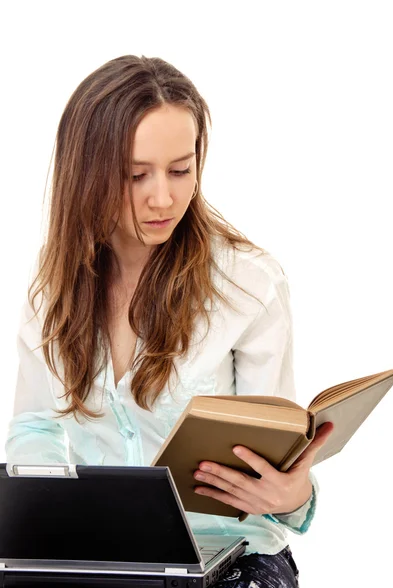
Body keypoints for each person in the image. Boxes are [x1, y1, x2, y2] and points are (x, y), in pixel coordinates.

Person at [5, 54, 333, 588]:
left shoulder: (248, 283)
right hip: (107, 557)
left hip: (233, 559)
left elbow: (277, 452)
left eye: (182, 169)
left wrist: (295, 496)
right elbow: (35, 425)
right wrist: (50, 518)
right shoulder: (56, 278)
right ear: (86, 174)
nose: (165, 197)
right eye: (136, 175)